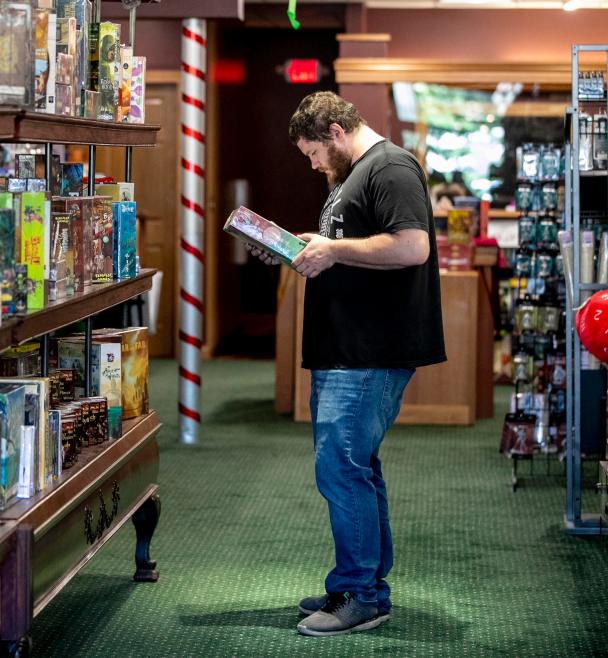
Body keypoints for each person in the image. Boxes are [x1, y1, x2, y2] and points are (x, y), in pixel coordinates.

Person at [248, 91, 446, 637]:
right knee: (357, 468)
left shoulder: (392, 167)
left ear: (335, 131)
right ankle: (362, 585)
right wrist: (308, 246)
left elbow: (412, 247)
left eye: (313, 152)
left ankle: (361, 595)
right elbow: (353, 244)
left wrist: (332, 251)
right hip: (346, 350)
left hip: (371, 351)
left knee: (342, 469)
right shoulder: (354, 176)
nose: (311, 163)